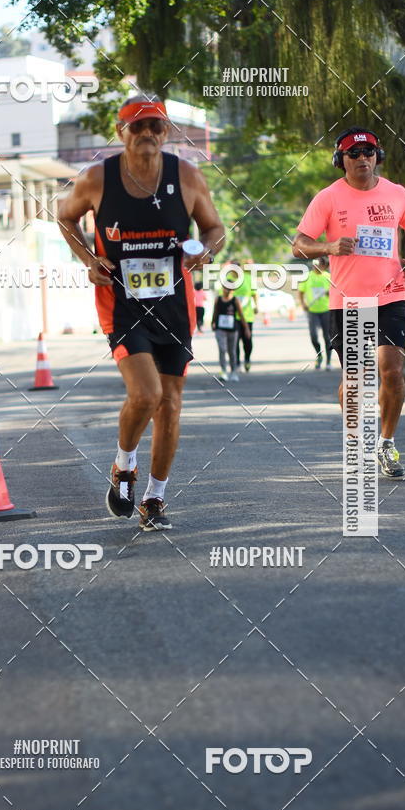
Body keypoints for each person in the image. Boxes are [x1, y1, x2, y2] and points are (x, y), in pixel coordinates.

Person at [58, 94, 225, 529]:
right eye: (138, 126)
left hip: (174, 305)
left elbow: (215, 227)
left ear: (166, 133)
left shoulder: (185, 175)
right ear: (122, 132)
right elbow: (65, 217)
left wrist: (204, 251)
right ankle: (124, 465)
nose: (148, 134)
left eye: (156, 126)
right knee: (147, 394)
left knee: (170, 406)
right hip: (121, 303)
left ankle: (154, 498)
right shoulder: (98, 177)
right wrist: (88, 259)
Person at [292, 126, 405, 478]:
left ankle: (386, 443)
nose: (362, 158)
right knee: (356, 380)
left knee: (392, 373)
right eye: (354, 154)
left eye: (368, 152)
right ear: (342, 160)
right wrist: (329, 247)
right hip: (348, 300)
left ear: (377, 157)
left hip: (392, 295)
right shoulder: (328, 198)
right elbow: (299, 244)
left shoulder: (397, 194)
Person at [298, 256, 333, 370]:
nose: (316, 266)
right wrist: (303, 304)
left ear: (323, 266)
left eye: (319, 264)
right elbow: (301, 292)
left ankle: (328, 361)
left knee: (327, 337)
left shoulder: (328, 277)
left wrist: (329, 294)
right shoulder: (307, 277)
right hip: (312, 311)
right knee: (313, 336)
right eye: (315, 264)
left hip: (326, 310)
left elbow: (334, 293)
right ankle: (319, 355)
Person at [211, 283, 249, 382]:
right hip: (220, 328)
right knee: (222, 349)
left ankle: (233, 372)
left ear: (232, 290)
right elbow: (215, 312)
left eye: (229, 288)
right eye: (225, 288)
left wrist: (246, 328)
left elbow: (241, 315)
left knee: (232, 351)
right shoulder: (218, 299)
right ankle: (223, 371)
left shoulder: (235, 300)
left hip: (233, 329)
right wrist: (213, 322)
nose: (227, 290)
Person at [231, 263, 259, 371]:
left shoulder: (248, 279)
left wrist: (256, 306)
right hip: (233, 316)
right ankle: (237, 363)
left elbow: (254, 294)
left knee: (247, 340)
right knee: (235, 340)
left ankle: (247, 359)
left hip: (247, 315)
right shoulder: (228, 279)